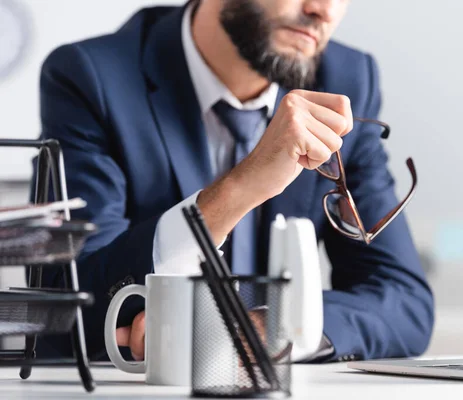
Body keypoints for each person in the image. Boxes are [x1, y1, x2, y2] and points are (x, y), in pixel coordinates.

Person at [34, 0, 434, 362]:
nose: (324, 10)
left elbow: (402, 299)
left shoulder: (345, 81)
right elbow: (69, 303)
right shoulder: (91, 77)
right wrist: (240, 189)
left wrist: (263, 330)